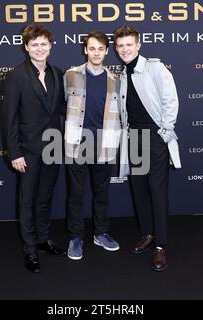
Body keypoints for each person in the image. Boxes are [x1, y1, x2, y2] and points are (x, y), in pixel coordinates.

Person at [114, 25, 181, 271]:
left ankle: (161, 246)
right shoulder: (122, 73)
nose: (124, 49)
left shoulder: (155, 67)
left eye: (129, 44)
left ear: (138, 45)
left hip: (154, 136)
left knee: (157, 190)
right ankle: (147, 234)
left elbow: (170, 100)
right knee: (139, 189)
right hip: (133, 136)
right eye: (120, 45)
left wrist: (164, 131)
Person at [2, 24, 66, 273]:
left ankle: (42, 238)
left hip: (53, 147)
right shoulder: (15, 76)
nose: (40, 49)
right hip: (27, 150)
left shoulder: (58, 74)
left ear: (50, 46)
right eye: (34, 44)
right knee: (27, 201)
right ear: (26, 47)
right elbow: (9, 118)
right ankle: (30, 250)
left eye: (44, 44)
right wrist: (14, 152)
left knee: (45, 197)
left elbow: (60, 109)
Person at [64, 31, 121, 260]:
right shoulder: (70, 76)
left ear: (107, 51)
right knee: (76, 194)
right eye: (92, 48)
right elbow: (60, 107)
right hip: (77, 142)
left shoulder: (116, 80)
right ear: (85, 50)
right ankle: (75, 238)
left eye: (101, 49)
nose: (96, 53)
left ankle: (101, 233)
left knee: (102, 193)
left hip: (105, 142)